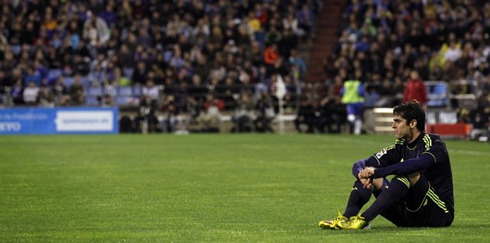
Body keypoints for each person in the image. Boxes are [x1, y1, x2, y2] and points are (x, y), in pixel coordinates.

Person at [319, 101, 454, 229]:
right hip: (408, 216)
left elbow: (419, 164)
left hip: (438, 213)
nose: (393, 126)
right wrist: (363, 173)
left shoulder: (434, 143)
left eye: (398, 121)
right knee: (370, 173)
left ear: (412, 123)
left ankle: (363, 220)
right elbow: (360, 164)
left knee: (409, 173)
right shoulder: (399, 147)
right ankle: (346, 218)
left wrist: (378, 172)